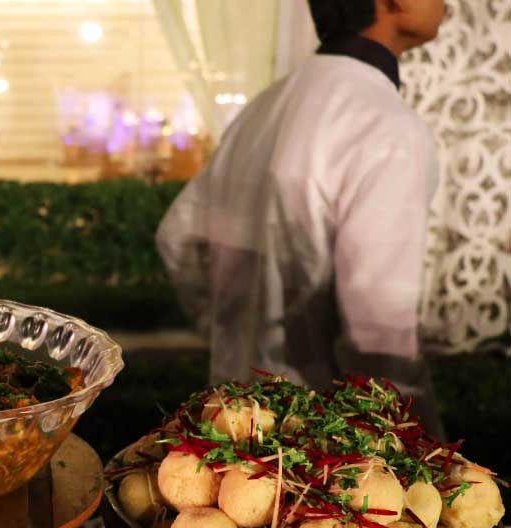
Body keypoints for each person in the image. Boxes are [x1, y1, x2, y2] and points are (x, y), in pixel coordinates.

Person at [155, 0, 447, 437]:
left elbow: (178, 236)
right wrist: (421, 440)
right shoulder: (384, 125)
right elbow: (379, 332)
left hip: (231, 418)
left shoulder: (267, 105)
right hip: (321, 441)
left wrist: (233, 332)